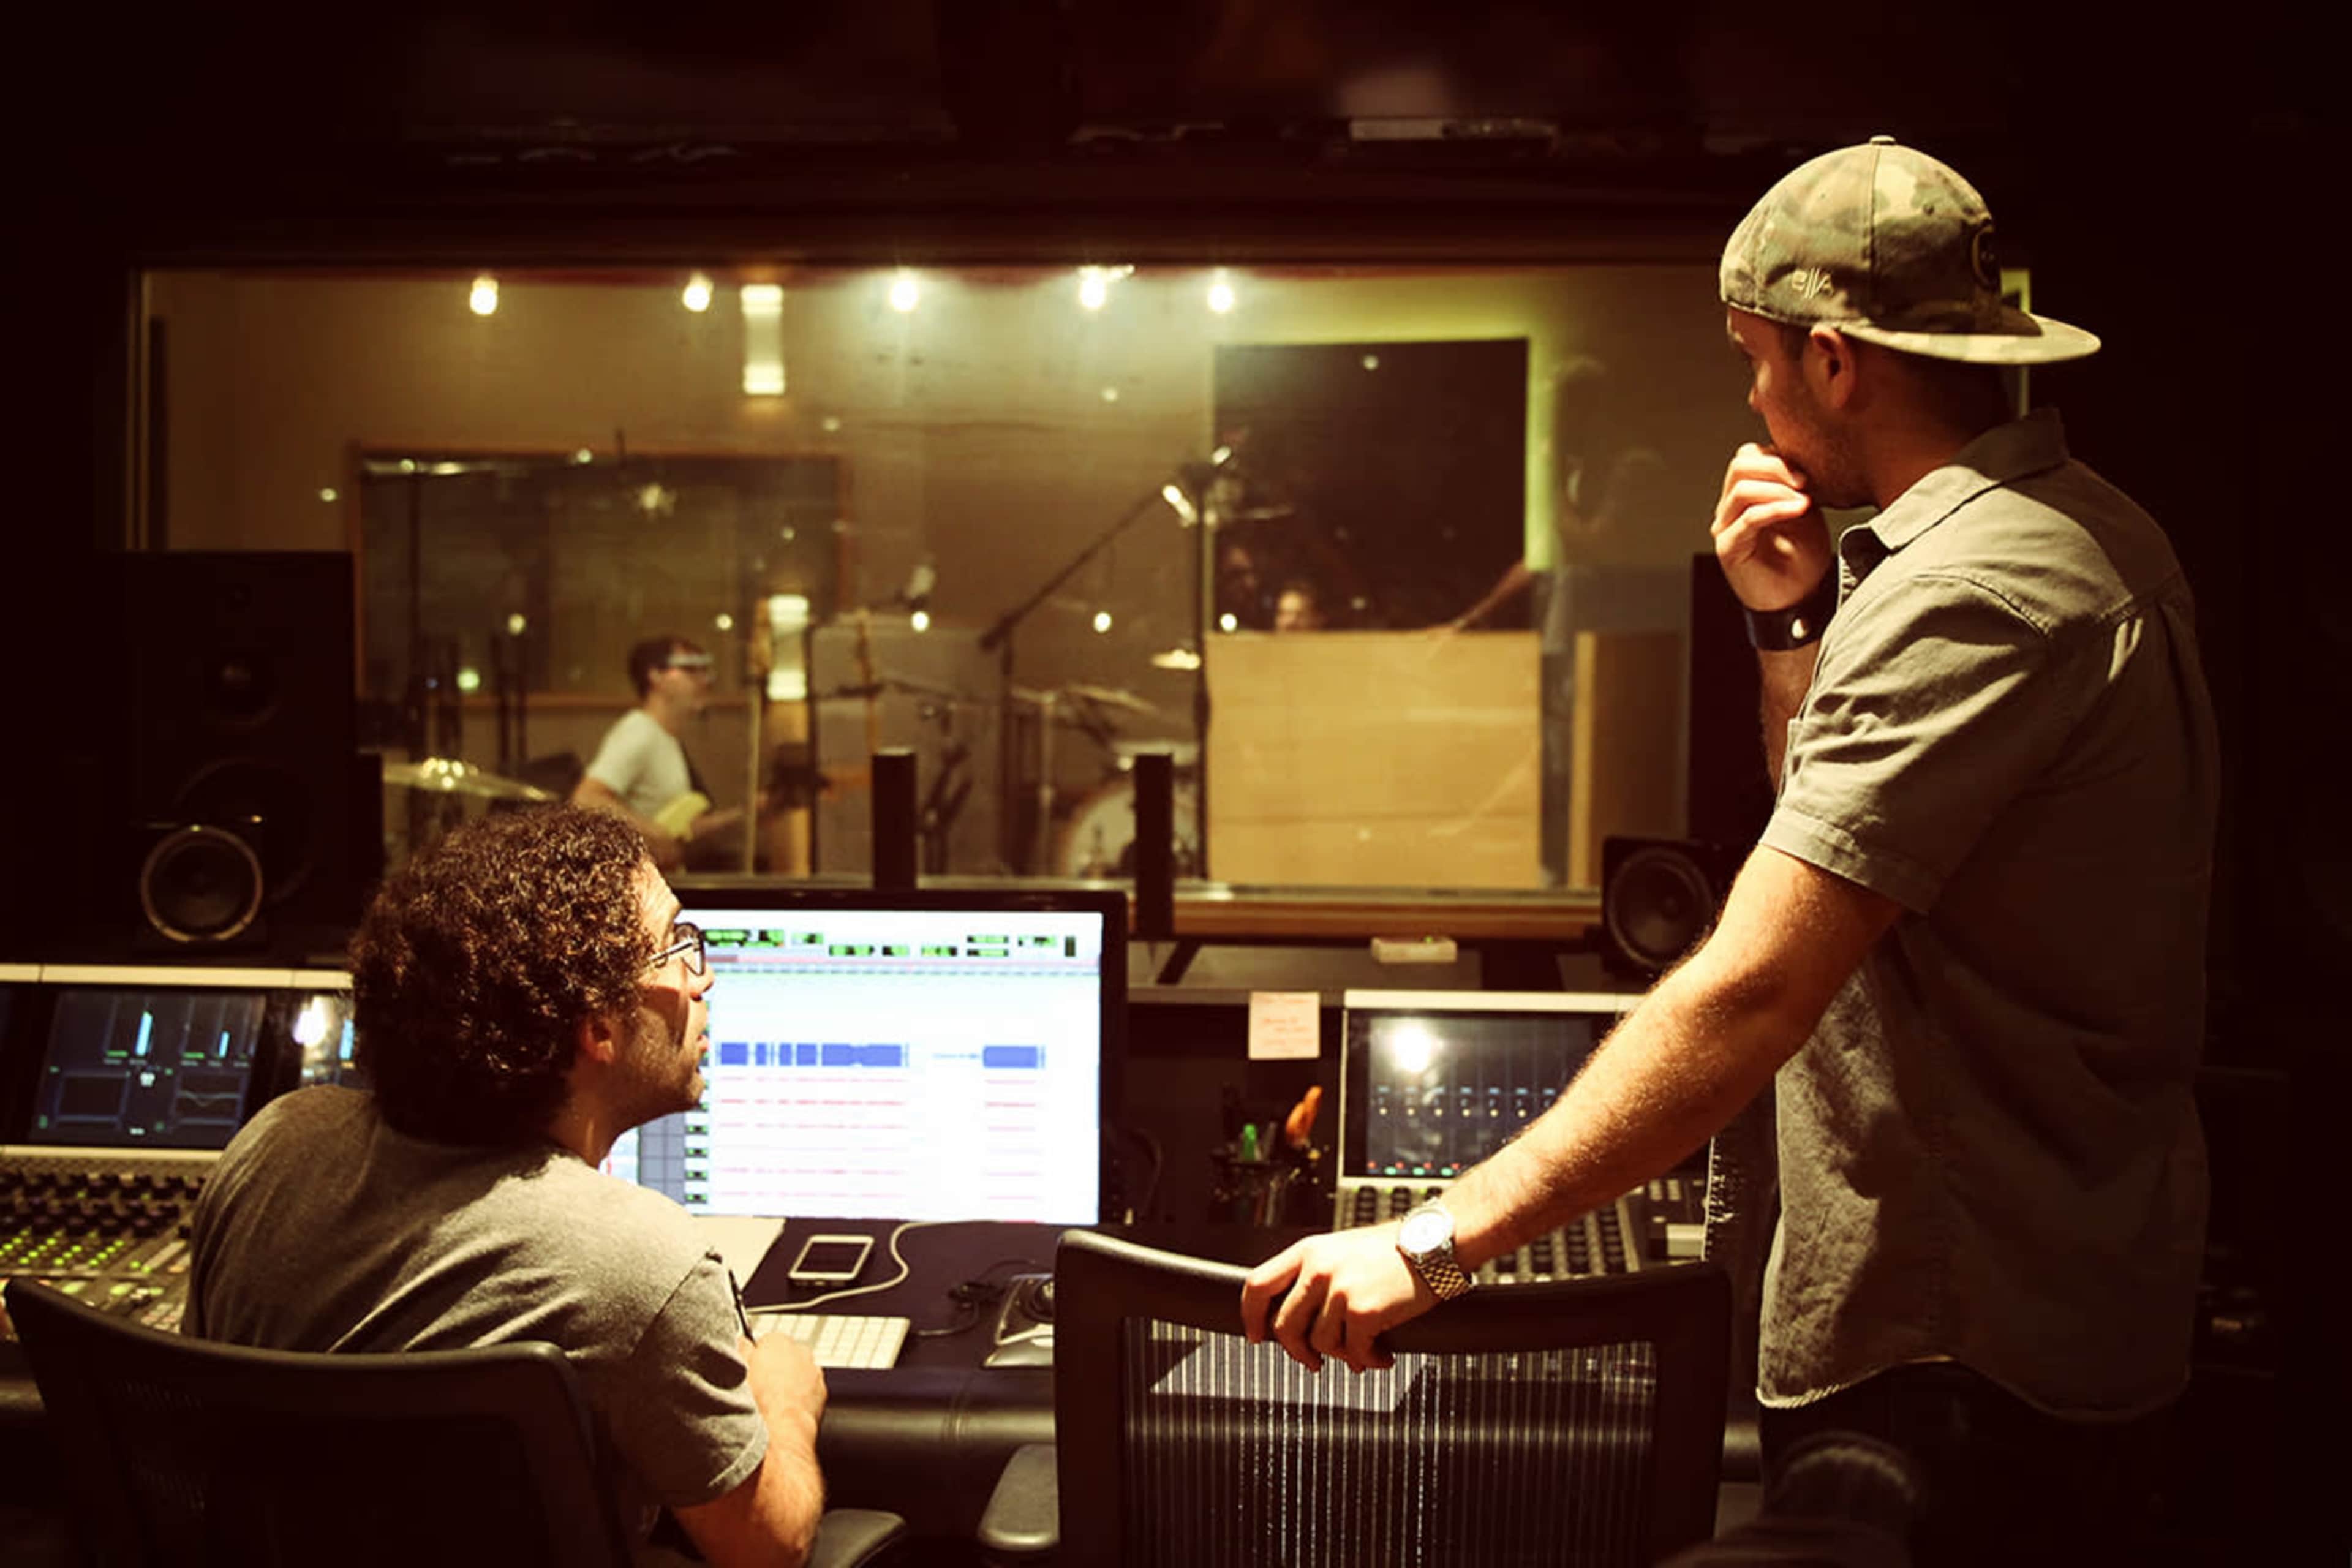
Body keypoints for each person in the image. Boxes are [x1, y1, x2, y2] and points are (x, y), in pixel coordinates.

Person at [1240, 137, 2216, 1567]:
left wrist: (1427, 1241)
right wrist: (1785, 627)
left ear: (1833, 364)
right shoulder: (2066, 532)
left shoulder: (1974, 594)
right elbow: (1853, 838)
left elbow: (1756, 982)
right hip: (2023, 1308)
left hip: (1954, 1351)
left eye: (1754, 360)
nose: (1748, 397)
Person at [186, 808, 829, 1568]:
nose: (705, 976)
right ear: (599, 1028)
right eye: (679, 948)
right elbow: (770, 1544)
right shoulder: (643, 1266)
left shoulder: (271, 1147)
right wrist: (785, 1399)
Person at [573, 635, 742, 871]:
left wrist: (746, 816)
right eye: (691, 669)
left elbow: (681, 831)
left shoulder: (665, 739)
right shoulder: (640, 731)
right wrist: (651, 831)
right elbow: (587, 799)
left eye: (705, 671)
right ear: (656, 676)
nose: (704, 680)